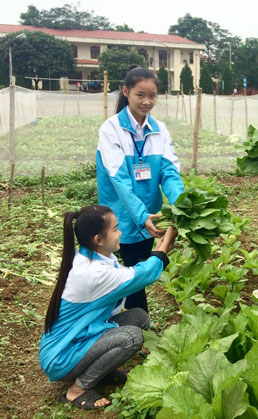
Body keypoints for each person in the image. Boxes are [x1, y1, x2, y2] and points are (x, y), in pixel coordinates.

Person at [39, 206, 176, 410]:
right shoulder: (92, 272)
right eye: (115, 229)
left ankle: (104, 371)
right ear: (98, 239)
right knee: (132, 337)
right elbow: (141, 276)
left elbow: (131, 273)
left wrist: (158, 250)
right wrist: (164, 247)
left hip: (80, 338)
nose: (120, 233)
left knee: (138, 316)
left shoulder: (93, 258)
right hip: (62, 357)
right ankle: (76, 390)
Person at [96, 66, 184, 313]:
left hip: (152, 217)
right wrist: (140, 215)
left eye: (152, 96)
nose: (147, 102)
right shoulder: (111, 129)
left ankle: (136, 325)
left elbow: (169, 171)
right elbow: (119, 180)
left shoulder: (159, 129)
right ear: (126, 92)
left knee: (140, 273)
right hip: (122, 217)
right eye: (140, 95)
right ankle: (139, 332)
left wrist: (182, 204)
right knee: (133, 277)